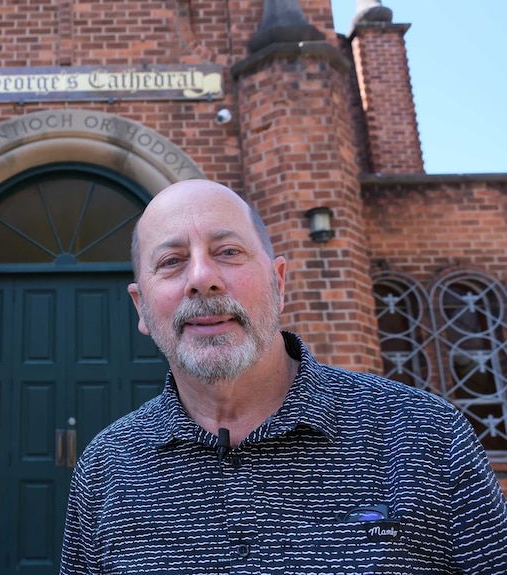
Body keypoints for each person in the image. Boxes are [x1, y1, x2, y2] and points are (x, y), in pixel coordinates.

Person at [59, 179, 507, 574]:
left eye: (228, 252)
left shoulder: (425, 435)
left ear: (280, 282)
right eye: (172, 261)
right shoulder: (105, 468)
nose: (201, 278)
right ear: (141, 306)